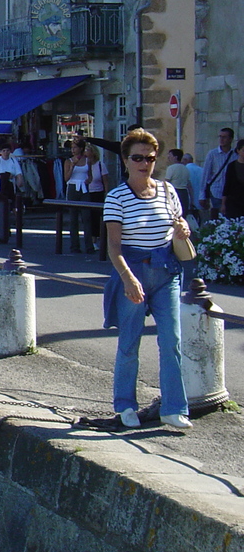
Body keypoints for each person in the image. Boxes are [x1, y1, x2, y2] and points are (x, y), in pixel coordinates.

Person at [103, 128, 191, 429]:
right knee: (129, 342)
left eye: (150, 158)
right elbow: (113, 247)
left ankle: (174, 407)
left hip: (166, 271)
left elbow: (177, 226)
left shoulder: (168, 191)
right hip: (133, 270)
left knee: (172, 342)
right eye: (138, 158)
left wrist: (182, 232)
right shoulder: (117, 197)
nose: (145, 163)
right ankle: (125, 405)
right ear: (126, 161)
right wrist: (128, 278)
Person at [63, 139, 98, 253]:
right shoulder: (68, 161)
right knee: (73, 218)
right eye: (72, 148)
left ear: (81, 149)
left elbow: (90, 176)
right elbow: (66, 178)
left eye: (75, 148)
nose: (73, 150)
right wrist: (72, 166)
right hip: (73, 187)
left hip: (83, 188)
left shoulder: (87, 160)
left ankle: (89, 246)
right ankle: (75, 246)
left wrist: (88, 180)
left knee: (86, 217)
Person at [200, 128, 235, 219]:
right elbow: (205, 175)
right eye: (220, 137)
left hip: (231, 193)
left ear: (230, 139)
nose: (221, 140)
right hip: (216, 191)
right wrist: (202, 195)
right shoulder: (212, 154)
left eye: (224, 137)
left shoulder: (235, 155)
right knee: (217, 218)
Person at [164, 149, 193, 218]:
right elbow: (189, 185)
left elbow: (166, 182)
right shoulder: (185, 168)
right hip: (184, 193)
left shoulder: (171, 168)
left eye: (170, 155)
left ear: (175, 157)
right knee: (183, 215)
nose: (168, 157)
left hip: (174, 192)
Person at [221, 138, 244, 219]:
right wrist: (223, 204)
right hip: (234, 201)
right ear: (238, 151)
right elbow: (227, 185)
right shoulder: (232, 166)